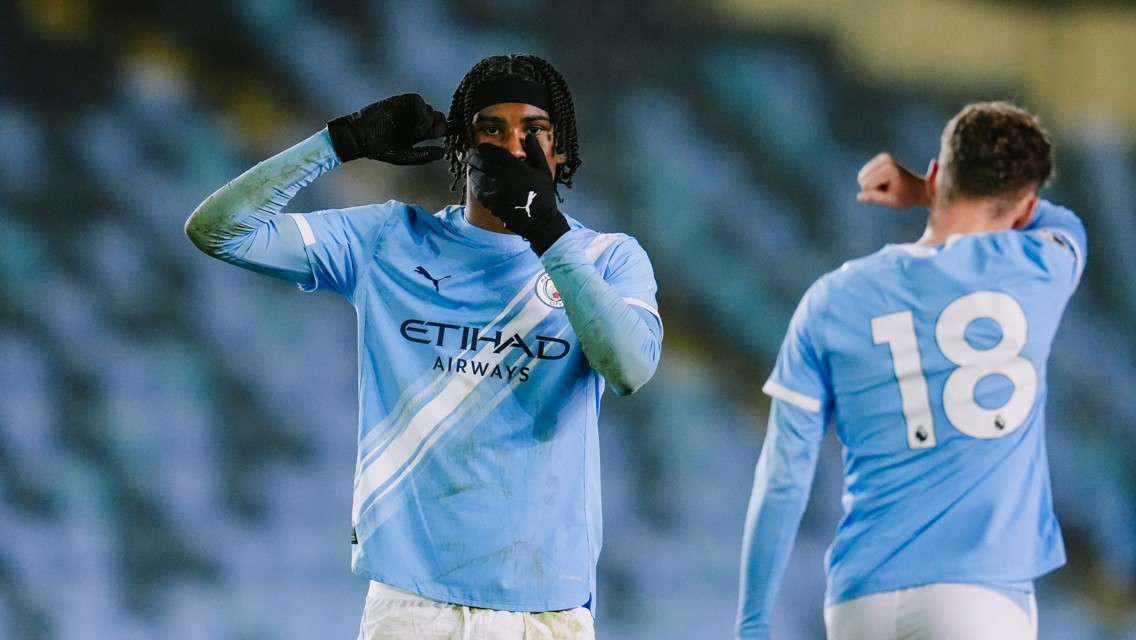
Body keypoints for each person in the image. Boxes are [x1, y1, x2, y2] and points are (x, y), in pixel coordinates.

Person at [185, 53, 662, 639]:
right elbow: (219, 231)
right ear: (461, 149)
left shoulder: (607, 259)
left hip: (548, 611)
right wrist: (338, 142)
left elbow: (632, 368)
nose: (514, 147)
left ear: (560, 153)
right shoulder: (387, 240)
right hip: (414, 608)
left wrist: (546, 231)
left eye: (534, 132)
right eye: (492, 129)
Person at [735, 101, 1087, 640]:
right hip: (982, 597)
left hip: (862, 599)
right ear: (1023, 209)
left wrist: (754, 625)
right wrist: (924, 191)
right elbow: (1063, 222)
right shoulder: (1042, 267)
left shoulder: (832, 297)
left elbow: (783, 477)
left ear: (941, 172)